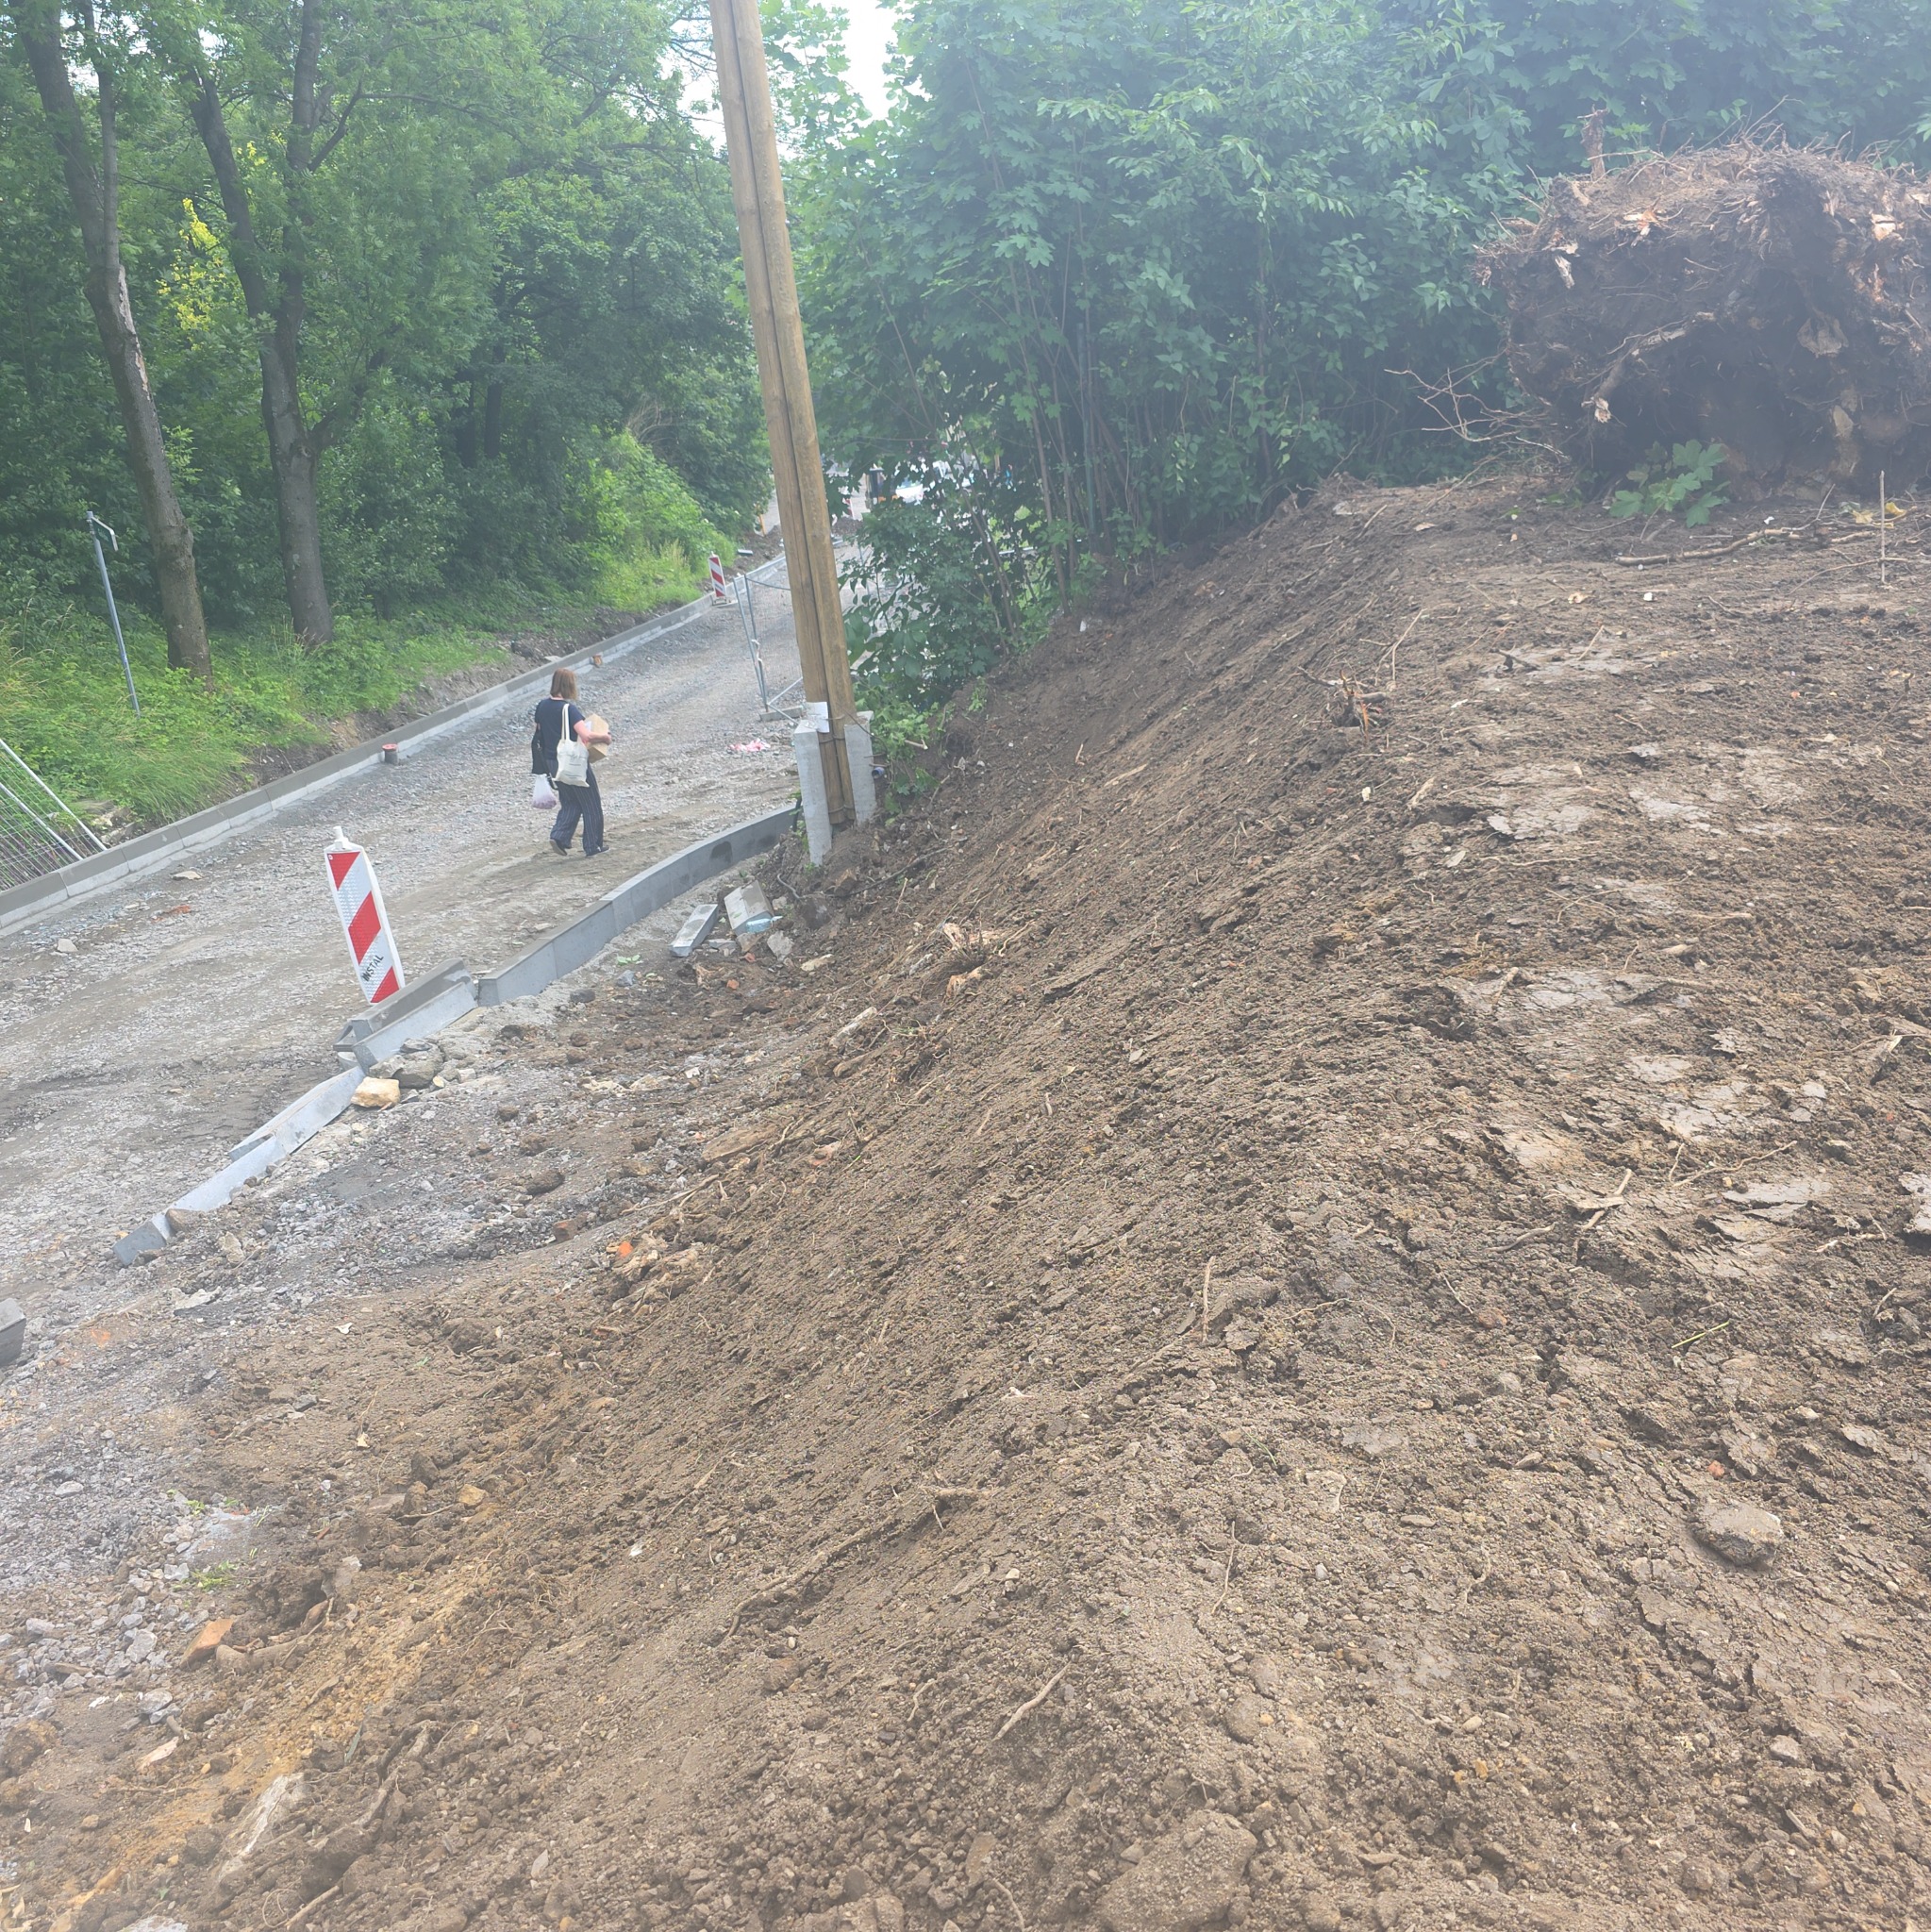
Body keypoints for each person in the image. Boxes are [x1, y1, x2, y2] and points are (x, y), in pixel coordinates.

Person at [530, 667, 611, 858]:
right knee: (591, 802)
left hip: (552, 762)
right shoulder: (569, 709)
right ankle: (593, 846)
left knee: (570, 802)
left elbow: (538, 731)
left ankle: (559, 836)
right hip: (572, 762)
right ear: (569, 686)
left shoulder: (542, 706)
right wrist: (605, 738)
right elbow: (586, 735)